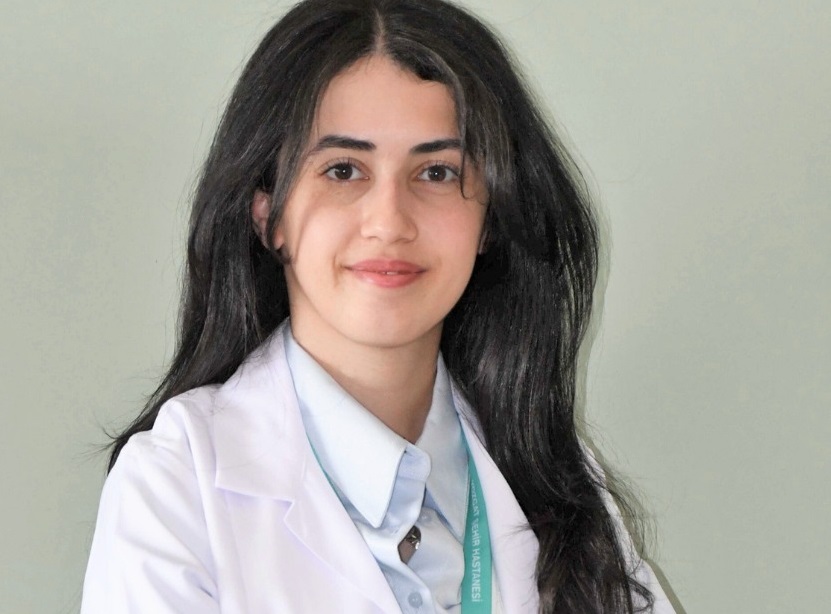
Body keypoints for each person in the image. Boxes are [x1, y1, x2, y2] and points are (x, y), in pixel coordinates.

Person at [81, 0, 675, 612]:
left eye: (437, 172)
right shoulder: (177, 486)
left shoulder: (560, 479)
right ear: (269, 216)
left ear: (491, 218)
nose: (389, 222)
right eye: (344, 170)